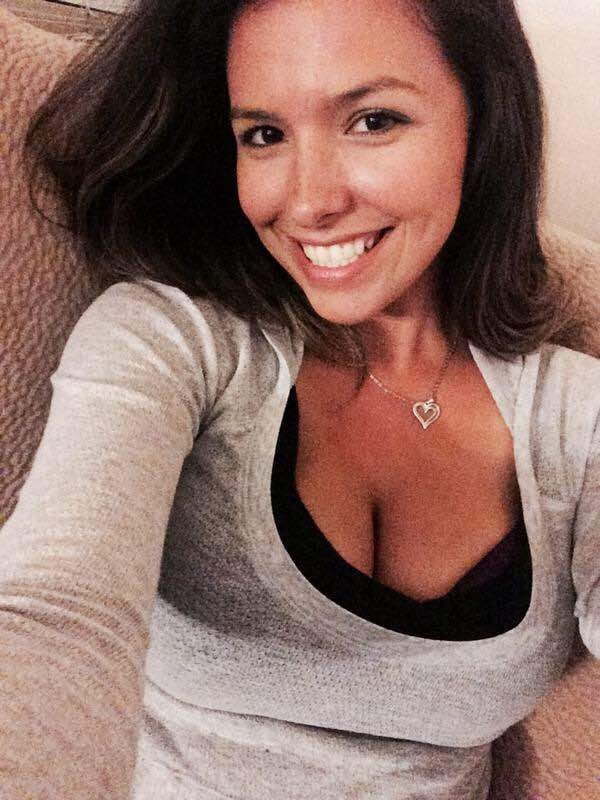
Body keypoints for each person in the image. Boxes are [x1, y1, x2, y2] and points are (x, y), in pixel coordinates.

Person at [1, 0, 598, 797]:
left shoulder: (577, 417)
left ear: (484, 121)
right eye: (264, 135)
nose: (309, 201)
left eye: (372, 121)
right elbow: (60, 614)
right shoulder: (172, 345)